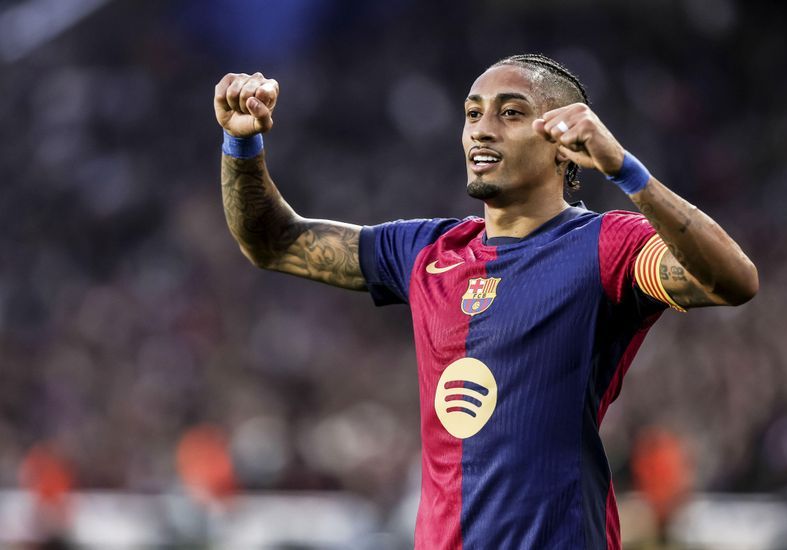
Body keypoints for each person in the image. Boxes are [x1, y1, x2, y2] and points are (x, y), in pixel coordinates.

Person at [213, 54, 758, 549]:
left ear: (564, 141)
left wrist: (626, 171)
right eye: (473, 114)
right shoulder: (426, 249)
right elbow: (274, 242)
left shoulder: (605, 246)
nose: (481, 130)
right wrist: (242, 145)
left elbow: (733, 281)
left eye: (510, 113)